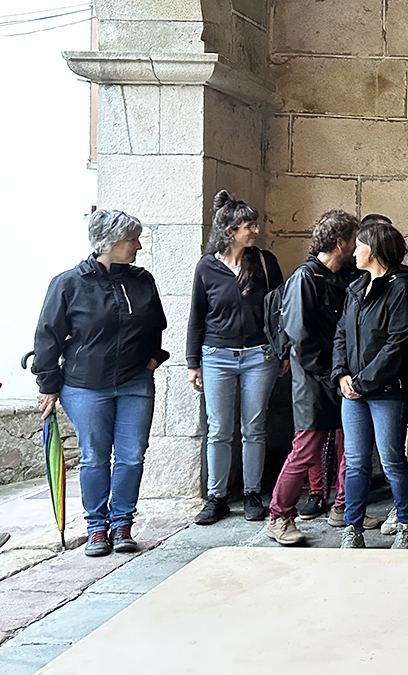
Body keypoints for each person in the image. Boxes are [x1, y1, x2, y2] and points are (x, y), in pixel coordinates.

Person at [34, 209, 167, 556]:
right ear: (110, 242)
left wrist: (153, 359)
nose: (138, 246)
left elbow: (156, 324)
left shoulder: (142, 280)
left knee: (132, 456)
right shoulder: (68, 283)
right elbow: (48, 336)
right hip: (84, 387)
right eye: (132, 240)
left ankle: (122, 523)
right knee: (94, 457)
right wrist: (48, 384)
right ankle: (96, 528)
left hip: (135, 383)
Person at [187, 191, 284, 526]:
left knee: (254, 426)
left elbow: (280, 308)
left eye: (254, 224)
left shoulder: (265, 262)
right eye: (248, 226)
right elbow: (197, 316)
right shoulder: (207, 267)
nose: (255, 231)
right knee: (218, 429)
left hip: (260, 354)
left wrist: (282, 350)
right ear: (230, 232)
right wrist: (192, 362)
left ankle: (252, 493)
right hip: (217, 355)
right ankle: (216, 498)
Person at [266, 210, 358, 546]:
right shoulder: (305, 278)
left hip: (332, 376)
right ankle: (279, 516)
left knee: (350, 447)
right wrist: (330, 374)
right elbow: (300, 336)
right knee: (305, 450)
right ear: (340, 243)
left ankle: (344, 509)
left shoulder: (334, 276)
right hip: (314, 381)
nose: (357, 246)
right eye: (353, 240)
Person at [332, 222, 408, 549]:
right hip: (353, 391)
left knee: (391, 460)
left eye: (360, 245)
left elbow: (398, 343)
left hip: (387, 391)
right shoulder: (356, 287)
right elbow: (341, 334)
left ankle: (407, 525)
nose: (354, 251)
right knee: (355, 462)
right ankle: (352, 528)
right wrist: (341, 374)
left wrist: (362, 381)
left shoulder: (401, 287)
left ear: (376, 249)